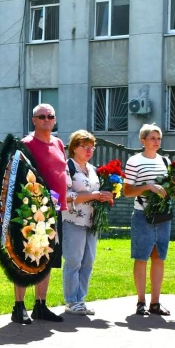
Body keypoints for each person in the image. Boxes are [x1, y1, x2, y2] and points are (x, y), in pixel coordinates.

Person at [123, 124, 175, 316]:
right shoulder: (134, 161)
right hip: (143, 215)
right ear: (143, 141)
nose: (156, 141)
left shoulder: (165, 161)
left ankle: (155, 303)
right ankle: (141, 302)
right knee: (141, 257)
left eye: (158, 138)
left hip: (163, 216)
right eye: (152, 138)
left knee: (159, 257)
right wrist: (148, 187)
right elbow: (127, 191)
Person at [12, 104, 66, 324]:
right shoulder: (26, 144)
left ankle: (40, 305)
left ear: (54, 120)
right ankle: (19, 307)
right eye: (41, 116)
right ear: (33, 120)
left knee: (48, 259)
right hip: (31, 211)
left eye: (50, 116)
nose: (46, 120)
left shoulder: (59, 143)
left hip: (55, 211)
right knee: (27, 258)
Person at [62, 130, 114, 316]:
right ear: (74, 148)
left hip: (91, 221)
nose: (89, 150)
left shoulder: (92, 169)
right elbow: (65, 196)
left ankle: (80, 300)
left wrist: (105, 196)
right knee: (74, 261)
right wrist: (92, 196)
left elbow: (96, 192)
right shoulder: (68, 168)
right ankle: (71, 301)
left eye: (92, 147)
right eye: (85, 147)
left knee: (88, 261)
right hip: (73, 219)